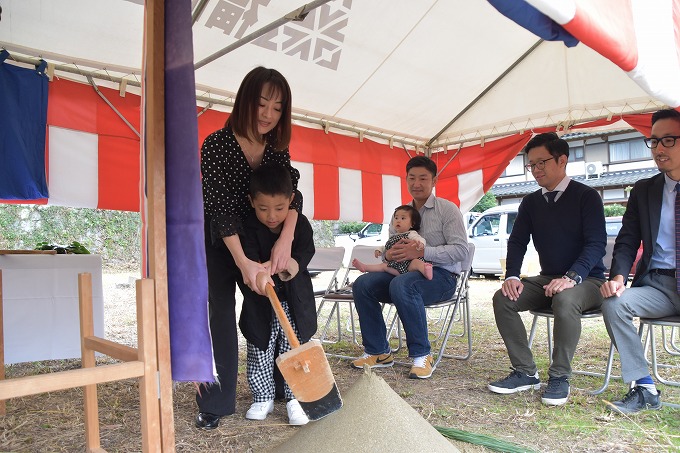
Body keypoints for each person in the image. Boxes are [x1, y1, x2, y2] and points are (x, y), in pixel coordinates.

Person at [195, 66, 302, 430]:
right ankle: (215, 402)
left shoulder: (276, 148)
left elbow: (292, 196)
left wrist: (285, 238)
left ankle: (278, 392)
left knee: (267, 313)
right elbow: (220, 210)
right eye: (262, 104)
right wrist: (242, 262)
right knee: (219, 317)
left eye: (277, 107)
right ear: (245, 101)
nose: (269, 114)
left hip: (263, 243)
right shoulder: (217, 144)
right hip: (222, 244)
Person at [487, 132, 607, 406]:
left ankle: (559, 377)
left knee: (564, 298)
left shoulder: (586, 197)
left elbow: (597, 244)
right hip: (548, 277)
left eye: (542, 163)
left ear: (562, 160)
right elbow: (517, 242)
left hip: (589, 280)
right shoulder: (530, 203)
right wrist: (512, 276)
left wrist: (571, 277)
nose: (536, 170)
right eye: (531, 165)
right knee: (503, 298)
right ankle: (526, 372)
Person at [350, 156, 469, 379]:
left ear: (434, 180)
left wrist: (424, 252)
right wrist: (389, 254)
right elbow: (390, 249)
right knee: (363, 284)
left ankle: (422, 354)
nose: (417, 184)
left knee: (403, 285)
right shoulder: (401, 213)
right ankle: (378, 352)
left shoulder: (447, 209)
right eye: (411, 178)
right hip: (401, 273)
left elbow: (461, 250)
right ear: (405, 180)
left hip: (441, 277)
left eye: (423, 178)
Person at [600, 108, 680, 414]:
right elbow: (628, 239)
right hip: (658, 285)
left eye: (669, 140)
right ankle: (645, 387)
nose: (659, 149)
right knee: (614, 304)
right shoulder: (645, 190)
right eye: (655, 141)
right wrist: (618, 277)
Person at [238, 164, 316, 426]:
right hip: (261, 303)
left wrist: (288, 266)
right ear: (251, 202)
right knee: (259, 346)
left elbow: (304, 254)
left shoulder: (300, 225)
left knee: (293, 346)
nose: (272, 216)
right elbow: (247, 260)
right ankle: (263, 396)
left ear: (291, 201)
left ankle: (295, 398)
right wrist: (261, 275)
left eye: (280, 209)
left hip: (294, 302)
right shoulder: (247, 226)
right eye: (263, 208)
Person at [352, 204, 433, 280]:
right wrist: (379, 249)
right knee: (383, 266)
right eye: (396, 218)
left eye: (403, 218)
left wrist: (421, 244)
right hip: (397, 267)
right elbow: (386, 247)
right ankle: (365, 267)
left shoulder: (411, 233)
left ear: (412, 224)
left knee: (416, 262)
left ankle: (426, 270)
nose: (398, 221)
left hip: (409, 265)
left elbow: (419, 239)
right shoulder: (393, 236)